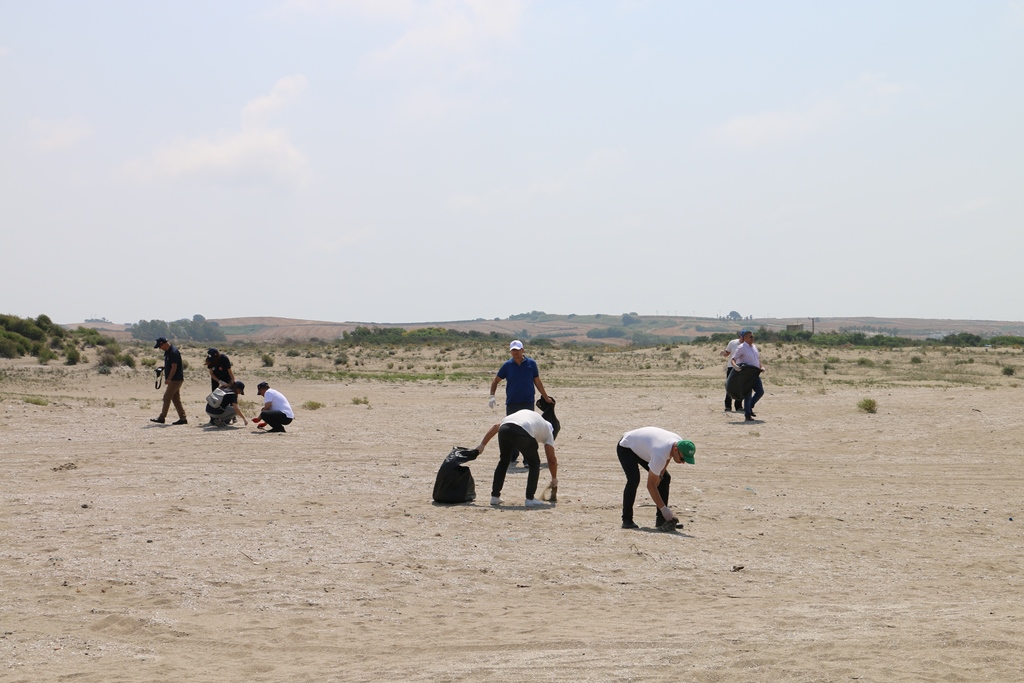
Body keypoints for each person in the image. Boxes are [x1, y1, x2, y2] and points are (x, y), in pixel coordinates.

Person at [475, 409, 558, 508]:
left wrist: (482, 444)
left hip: (504, 428)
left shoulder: (533, 417)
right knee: (534, 463)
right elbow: (551, 460)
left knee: (503, 462)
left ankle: (495, 497)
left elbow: (495, 426)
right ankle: (530, 498)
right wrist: (554, 479)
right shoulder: (548, 432)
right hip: (523, 430)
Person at [617, 427, 695, 531]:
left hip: (643, 447)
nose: (683, 462)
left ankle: (662, 521)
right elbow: (650, 486)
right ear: (676, 449)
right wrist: (664, 509)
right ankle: (627, 520)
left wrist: (660, 475)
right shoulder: (660, 454)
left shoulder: (678, 443)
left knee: (665, 478)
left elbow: (669, 456)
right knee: (634, 479)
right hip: (627, 446)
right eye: (682, 458)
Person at [488, 340, 553, 466]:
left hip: (527, 401)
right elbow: (495, 381)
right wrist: (492, 396)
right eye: (513, 350)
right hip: (512, 402)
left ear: (523, 350)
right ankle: (512, 457)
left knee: (528, 430)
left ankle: (527, 459)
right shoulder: (507, 365)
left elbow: (537, 382)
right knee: (512, 429)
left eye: (517, 350)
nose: (515, 352)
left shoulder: (531, 364)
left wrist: (545, 397)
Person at [151, 337, 187, 425]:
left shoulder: (173, 352)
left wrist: (169, 379)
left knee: (166, 398)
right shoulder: (168, 352)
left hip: (175, 379)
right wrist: (163, 368)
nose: (160, 348)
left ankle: (162, 417)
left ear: (163, 343)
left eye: (160, 346)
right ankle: (183, 418)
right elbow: (170, 365)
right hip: (175, 379)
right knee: (176, 399)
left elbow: (174, 367)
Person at [730, 329, 765, 422]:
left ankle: (749, 407)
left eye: (753, 336)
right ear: (745, 338)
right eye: (751, 336)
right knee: (748, 395)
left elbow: (757, 359)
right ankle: (748, 415)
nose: (753, 338)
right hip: (746, 375)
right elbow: (733, 358)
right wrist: (735, 366)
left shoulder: (754, 347)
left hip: (755, 373)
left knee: (760, 391)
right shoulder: (741, 347)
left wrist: (761, 367)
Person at [720, 331, 744, 412]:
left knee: (741, 387)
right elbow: (727, 353)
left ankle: (739, 406)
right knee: (729, 386)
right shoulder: (733, 343)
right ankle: (728, 406)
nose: (744, 338)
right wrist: (723, 353)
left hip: (742, 367)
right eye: (743, 337)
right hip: (731, 367)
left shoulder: (748, 345)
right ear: (740, 336)